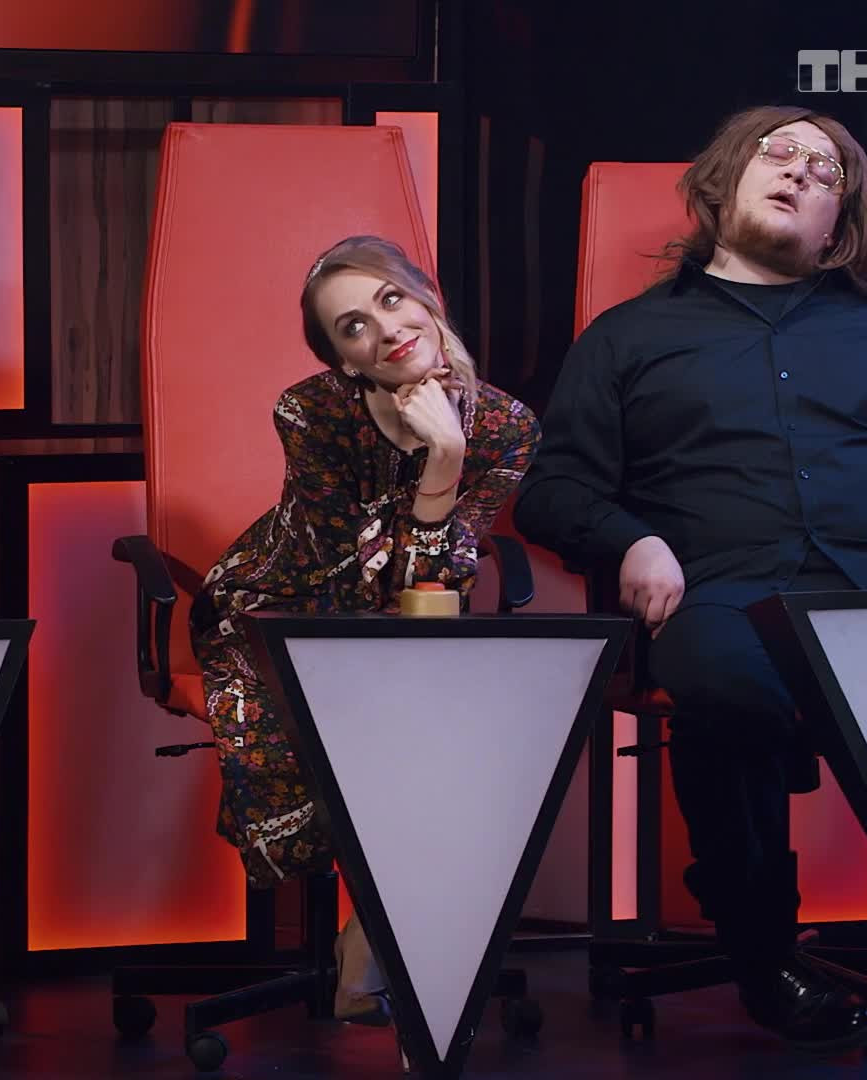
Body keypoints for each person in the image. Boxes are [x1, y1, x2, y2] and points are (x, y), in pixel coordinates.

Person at [513, 105, 867, 1052]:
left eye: (827, 173)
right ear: (723, 182)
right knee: (731, 692)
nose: (799, 172)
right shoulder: (627, 337)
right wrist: (629, 541)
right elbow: (553, 490)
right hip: (719, 595)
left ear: (838, 228)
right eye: (777, 153)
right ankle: (763, 956)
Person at [192, 235, 541, 1021]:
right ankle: (380, 945)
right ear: (345, 362)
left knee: (474, 734)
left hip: (404, 630)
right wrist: (440, 473)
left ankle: (369, 934)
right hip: (274, 612)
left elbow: (430, 590)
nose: (385, 330)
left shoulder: (505, 427)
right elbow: (344, 572)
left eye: (391, 300)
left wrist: (449, 453)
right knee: (385, 726)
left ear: (427, 299)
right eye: (353, 327)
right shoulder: (311, 412)